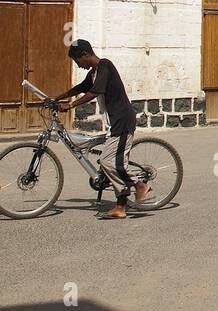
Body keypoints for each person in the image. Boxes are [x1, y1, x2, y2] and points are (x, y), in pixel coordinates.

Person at [55, 39, 148, 219]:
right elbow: (81, 88)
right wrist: (58, 98)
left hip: (122, 120)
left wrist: (71, 105)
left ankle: (140, 185)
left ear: (85, 55)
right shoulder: (94, 73)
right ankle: (120, 207)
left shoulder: (105, 66)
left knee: (108, 162)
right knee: (110, 163)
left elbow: (94, 92)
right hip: (114, 122)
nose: (78, 65)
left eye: (77, 61)